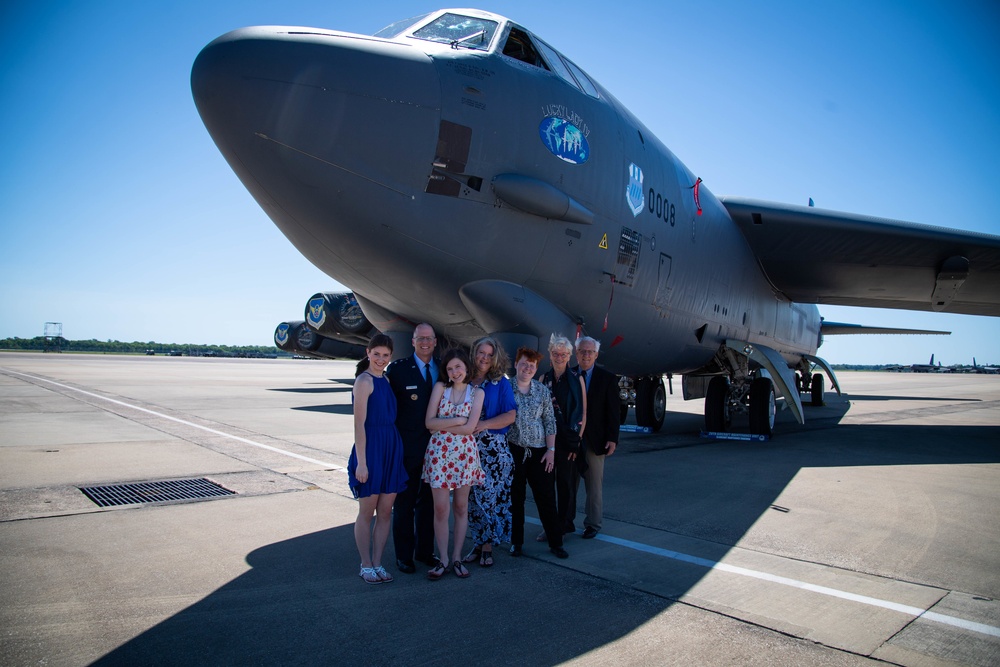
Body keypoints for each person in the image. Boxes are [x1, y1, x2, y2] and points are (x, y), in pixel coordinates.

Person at [347, 334, 409, 584]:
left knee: (385, 512)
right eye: (376, 354)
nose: (380, 359)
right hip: (371, 448)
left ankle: (378, 562)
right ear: (368, 352)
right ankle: (365, 564)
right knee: (367, 511)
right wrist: (362, 462)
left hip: (391, 447)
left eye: (385, 355)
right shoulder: (364, 381)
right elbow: (359, 424)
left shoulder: (386, 379)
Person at [423, 347, 486, 579]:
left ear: (466, 367)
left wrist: (446, 423)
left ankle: (457, 557)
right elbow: (429, 423)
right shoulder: (441, 388)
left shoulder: (477, 393)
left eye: (458, 366)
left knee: (460, 507)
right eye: (450, 368)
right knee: (440, 508)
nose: (455, 371)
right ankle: (443, 559)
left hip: (464, 455)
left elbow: (471, 428)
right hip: (439, 454)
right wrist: (459, 419)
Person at [385, 323, 438, 574]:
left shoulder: (443, 369)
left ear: (435, 342)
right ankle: (404, 556)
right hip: (406, 448)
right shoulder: (398, 370)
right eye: (420, 339)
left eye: (429, 338)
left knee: (428, 503)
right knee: (404, 503)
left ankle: (425, 552)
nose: (425, 343)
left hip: (436, 449)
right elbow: (387, 408)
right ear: (413, 341)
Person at [507, 346, 567, 559]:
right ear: (516, 364)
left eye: (531, 366)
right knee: (516, 498)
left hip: (540, 451)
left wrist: (550, 450)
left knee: (546, 497)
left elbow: (550, 421)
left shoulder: (542, 391)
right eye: (523, 364)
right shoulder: (507, 388)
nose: (527, 368)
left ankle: (555, 542)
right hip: (514, 450)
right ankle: (516, 542)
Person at [464, 336, 517, 567]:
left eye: (489, 354)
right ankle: (477, 541)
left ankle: (487, 545)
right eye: (481, 353)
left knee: (491, 497)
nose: (484, 358)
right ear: (474, 353)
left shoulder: (500, 382)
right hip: (466, 447)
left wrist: (484, 425)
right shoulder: (464, 378)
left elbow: (510, 415)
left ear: (495, 357)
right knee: (471, 499)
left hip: (493, 449)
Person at [537, 334, 587, 543]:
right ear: (550, 355)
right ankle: (550, 526)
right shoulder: (543, 380)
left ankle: (565, 523)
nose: (559, 357)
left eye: (563, 354)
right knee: (547, 486)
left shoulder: (578, 380)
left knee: (566, 485)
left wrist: (577, 442)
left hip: (568, 442)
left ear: (569, 356)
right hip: (548, 442)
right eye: (556, 353)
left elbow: (582, 414)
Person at [574, 336, 621, 539]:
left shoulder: (607, 378)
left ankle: (593, 523)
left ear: (596, 354)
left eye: (590, 352)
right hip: (572, 440)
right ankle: (565, 521)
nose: (586, 355)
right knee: (569, 484)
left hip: (595, 440)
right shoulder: (568, 375)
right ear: (576, 353)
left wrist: (613, 438)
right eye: (582, 351)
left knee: (594, 486)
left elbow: (614, 411)